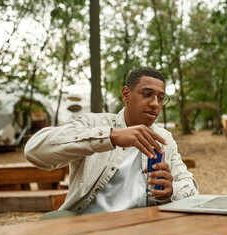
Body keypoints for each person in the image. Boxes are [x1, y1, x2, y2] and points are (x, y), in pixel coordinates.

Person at [24, 66, 199, 215]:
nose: (155, 103)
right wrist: (111, 137)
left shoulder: (163, 139)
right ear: (126, 95)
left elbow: (191, 188)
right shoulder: (94, 124)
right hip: (90, 227)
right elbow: (34, 150)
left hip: (141, 227)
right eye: (147, 94)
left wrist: (171, 190)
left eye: (161, 98)